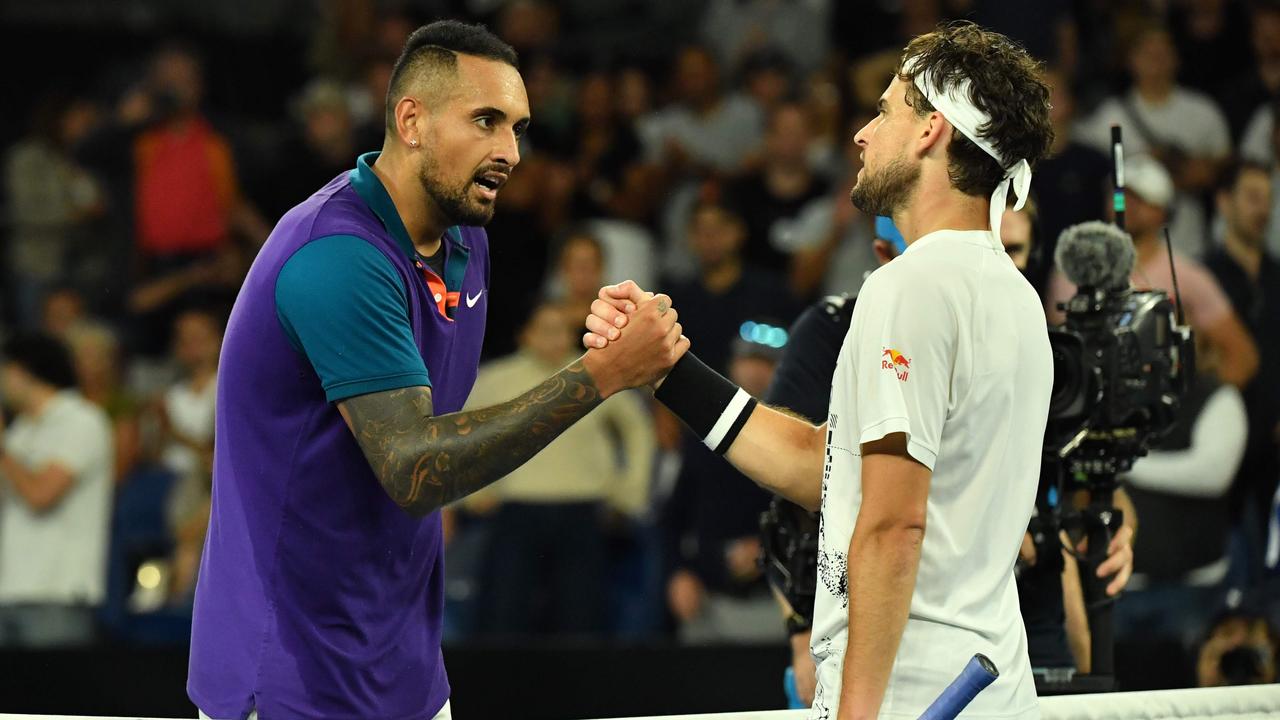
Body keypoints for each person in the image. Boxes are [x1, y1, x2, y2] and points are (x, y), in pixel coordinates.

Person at [187, 21, 686, 720]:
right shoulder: (337, 256)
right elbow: (416, 467)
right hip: (288, 674)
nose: (509, 151)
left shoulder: (466, 240)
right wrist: (600, 374)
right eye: (485, 121)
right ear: (412, 120)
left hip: (404, 667)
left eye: (517, 127)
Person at [589, 21, 1055, 719]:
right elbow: (831, 468)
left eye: (886, 110)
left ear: (932, 131)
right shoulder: (1015, 294)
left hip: (911, 692)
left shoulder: (912, 285)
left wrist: (857, 713)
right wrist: (670, 372)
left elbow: (894, 524)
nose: (863, 134)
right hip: (980, 686)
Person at [464, 302, 655, 637]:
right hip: (516, 512)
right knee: (504, 620)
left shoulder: (594, 370)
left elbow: (638, 427)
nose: (555, 338)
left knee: (581, 622)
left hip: (581, 512)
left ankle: (580, 690)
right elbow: (461, 432)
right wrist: (471, 491)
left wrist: (630, 491)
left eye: (562, 330)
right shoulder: (497, 379)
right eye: (545, 329)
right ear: (525, 335)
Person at [1044, 156, 1259, 391]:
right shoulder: (1074, 270)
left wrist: (1196, 404)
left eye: (1141, 199)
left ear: (1163, 212)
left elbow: (1242, 357)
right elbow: (1059, 352)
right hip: (1095, 403)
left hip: (1162, 407)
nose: (1126, 205)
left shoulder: (1188, 276)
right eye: (1119, 195)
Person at [0, 332, 114, 648]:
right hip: (10, 588)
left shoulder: (82, 421)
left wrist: (3, 452)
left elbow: (41, 496)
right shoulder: (20, 429)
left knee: (55, 697)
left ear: (23, 370)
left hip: (58, 590)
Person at [1203, 161, 1280, 585]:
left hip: (1273, 459)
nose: (1263, 209)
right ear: (1224, 202)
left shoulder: (1277, 276)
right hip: (1223, 461)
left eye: (1268, 198)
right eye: (1252, 197)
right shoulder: (1202, 278)